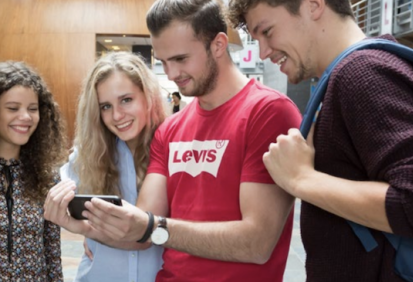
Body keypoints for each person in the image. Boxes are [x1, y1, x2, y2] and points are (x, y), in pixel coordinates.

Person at [44, 0, 302, 281]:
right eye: (163, 61)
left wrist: (153, 227)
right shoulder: (171, 129)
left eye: (180, 59)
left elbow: (257, 244)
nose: (170, 74)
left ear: (218, 45)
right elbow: (139, 232)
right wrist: (84, 228)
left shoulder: (268, 111)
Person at [227, 0, 413, 281]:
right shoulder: (354, 72)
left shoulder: (363, 73)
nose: (263, 52)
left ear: (314, 5)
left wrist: (301, 179)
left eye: (267, 31)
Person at [51, 52, 167, 281]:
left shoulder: (175, 151)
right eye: (105, 106)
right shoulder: (86, 157)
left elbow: (151, 237)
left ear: (148, 96)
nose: (116, 115)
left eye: (126, 100)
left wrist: (87, 231)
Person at [0, 61, 66, 281]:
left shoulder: (46, 176)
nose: (26, 117)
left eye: (32, 109)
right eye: (12, 108)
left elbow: (52, 251)